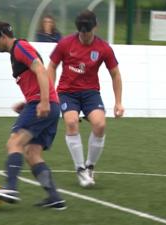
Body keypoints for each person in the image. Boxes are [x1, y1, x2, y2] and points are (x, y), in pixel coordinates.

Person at [0, 20, 66, 210]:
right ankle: (55, 198)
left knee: (14, 142)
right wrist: (30, 102)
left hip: (43, 104)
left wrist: (43, 101)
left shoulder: (20, 47)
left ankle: (11, 188)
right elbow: (34, 78)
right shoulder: (16, 52)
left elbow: (40, 70)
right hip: (46, 105)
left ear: (3, 37)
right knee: (32, 153)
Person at [47, 10, 124, 187]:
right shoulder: (65, 43)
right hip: (67, 92)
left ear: (95, 27)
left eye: (87, 32)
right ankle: (80, 169)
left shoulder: (103, 48)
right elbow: (51, 66)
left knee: (100, 124)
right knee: (72, 122)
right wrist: (52, 92)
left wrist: (118, 102)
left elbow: (115, 75)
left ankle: (89, 166)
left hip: (90, 93)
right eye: (81, 32)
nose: (84, 36)